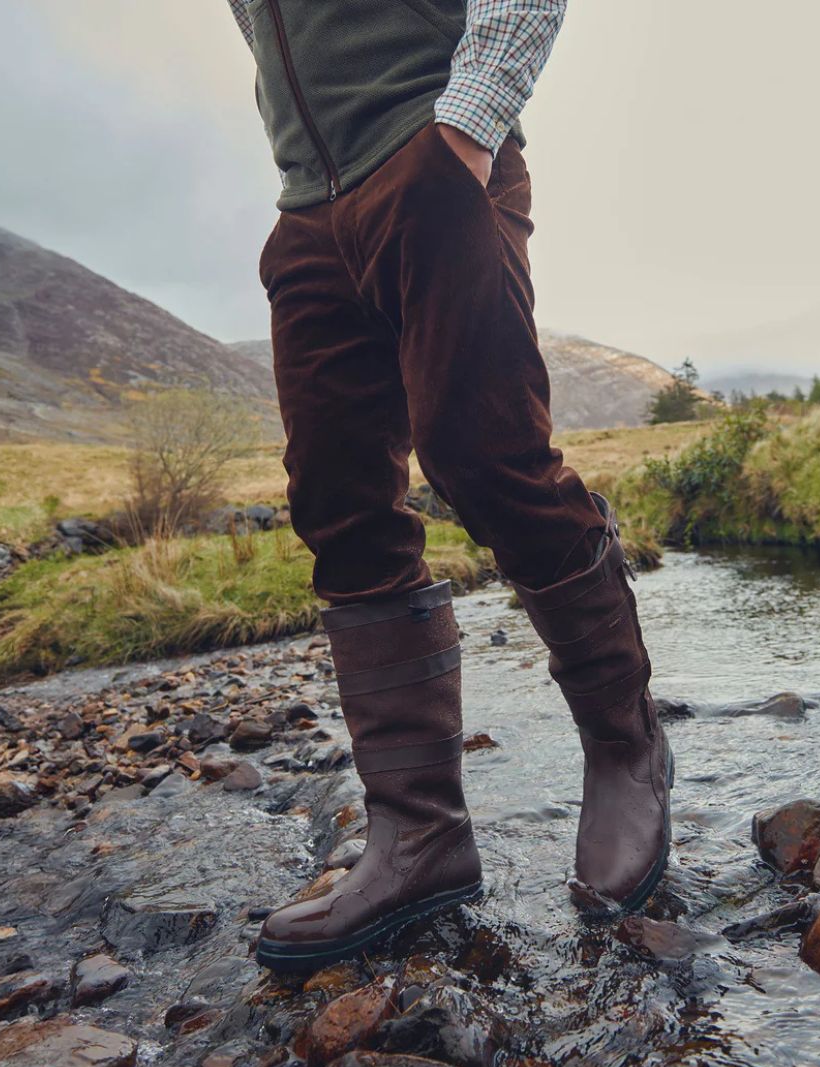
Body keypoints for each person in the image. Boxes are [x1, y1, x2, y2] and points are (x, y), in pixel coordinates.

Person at [228, 0, 673, 974]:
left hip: (433, 158)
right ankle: (419, 833)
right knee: (339, 510)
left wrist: (466, 128)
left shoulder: (449, 152)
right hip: (309, 214)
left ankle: (626, 749)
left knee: (485, 455)